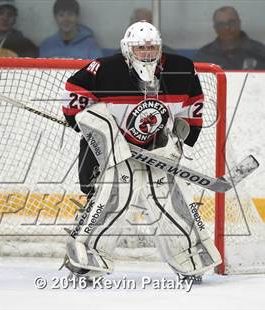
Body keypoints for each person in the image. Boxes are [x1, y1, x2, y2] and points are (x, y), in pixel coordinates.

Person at [60, 21, 221, 282]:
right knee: (114, 200)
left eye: (152, 47)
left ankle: (189, 257)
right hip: (116, 153)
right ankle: (86, 260)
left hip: (157, 150)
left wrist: (177, 139)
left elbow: (193, 106)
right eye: (140, 47)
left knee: (170, 202)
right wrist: (101, 132)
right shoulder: (105, 68)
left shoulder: (181, 69)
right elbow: (75, 97)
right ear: (127, 48)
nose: (147, 52)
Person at [193, 6, 265, 70]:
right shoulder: (203, 56)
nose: (227, 28)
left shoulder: (259, 51)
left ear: (239, 23)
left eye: (231, 22)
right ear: (215, 28)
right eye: (221, 24)